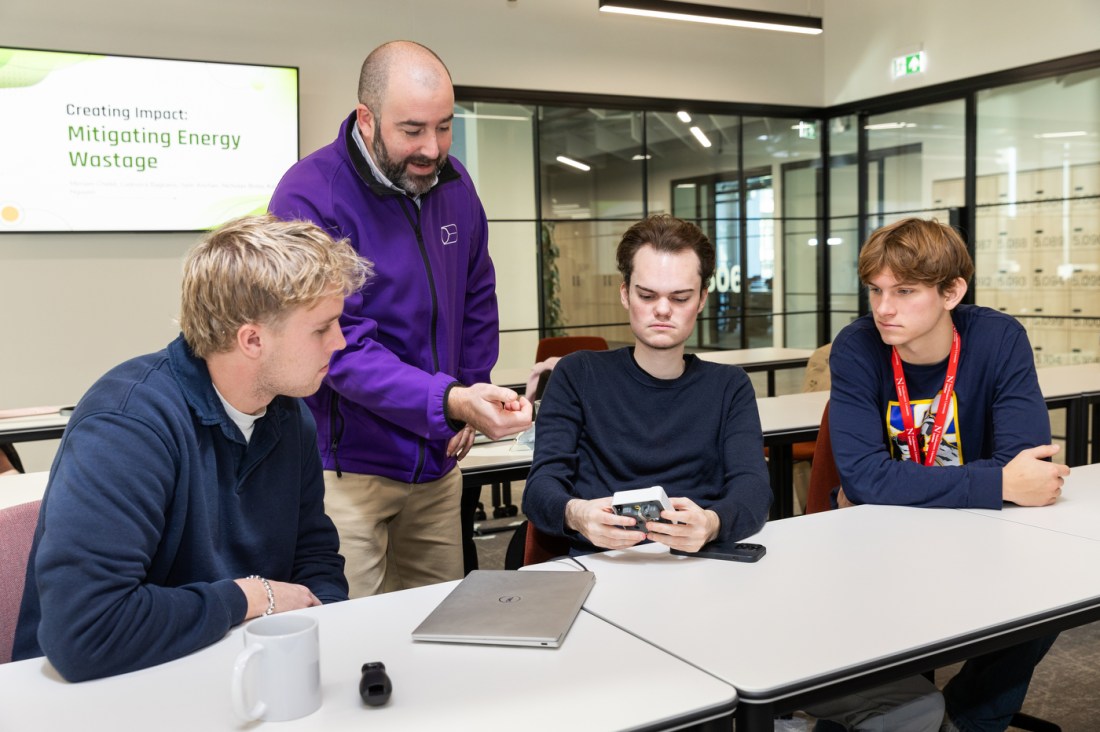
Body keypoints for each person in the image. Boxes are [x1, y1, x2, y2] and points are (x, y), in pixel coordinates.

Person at [13, 215, 370, 682]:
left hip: (233, 665)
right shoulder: (127, 426)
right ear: (253, 339)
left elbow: (314, 556)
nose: (340, 342)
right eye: (322, 328)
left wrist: (322, 628)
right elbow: (86, 632)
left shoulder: (289, 412)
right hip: (98, 690)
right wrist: (249, 597)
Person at [268, 40, 531, 598]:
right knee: (351, 639)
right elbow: (338, 348)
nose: (432, 148)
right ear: (366, 118)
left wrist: (468, 392)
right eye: (412, 130)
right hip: (348, 472)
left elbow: (476, 297)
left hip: (438, 463)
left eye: (444, 127)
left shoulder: (454, 184)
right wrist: (449, 401)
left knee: (438, 628)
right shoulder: (311, 196)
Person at [827, 217, 1067, 731]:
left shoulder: (998, 338)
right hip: (883, 538)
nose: (884, 308)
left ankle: (964, 720)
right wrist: (999, 483)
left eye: (905, 291)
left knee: (1054, 598)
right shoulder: (857, 345)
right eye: (876, 290)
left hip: (983, 532)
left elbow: (1029, 461)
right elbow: (862, 476)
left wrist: (891, 480)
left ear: (952, 291)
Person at [522, 214, 772, 556]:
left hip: (700, 564)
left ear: (701, 300)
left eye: (681, 298)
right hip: (602, 565)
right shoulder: (578, 374)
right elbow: (540, 489)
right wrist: (578, 515)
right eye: (647, 295)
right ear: (626, 294)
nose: (663, 310)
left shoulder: (729, 386)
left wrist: (712, 523)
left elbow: (754, 489)